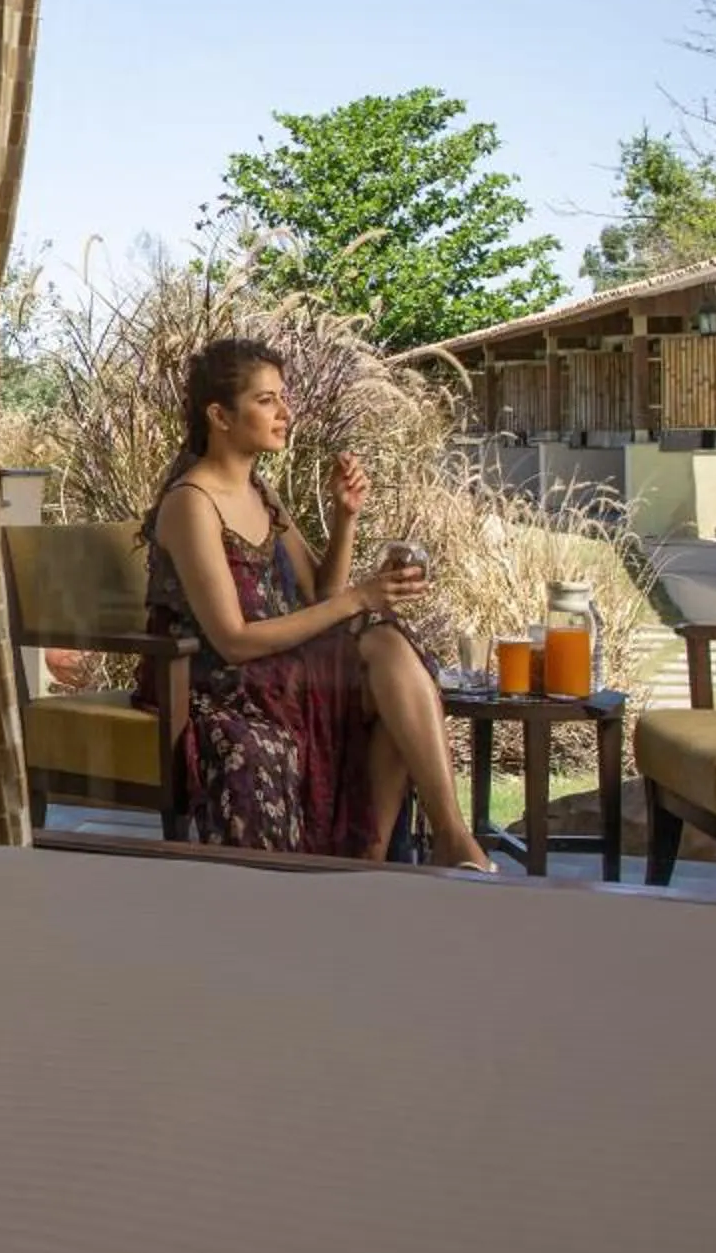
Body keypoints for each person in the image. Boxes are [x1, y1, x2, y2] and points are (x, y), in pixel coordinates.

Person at [132, 336, 496, 872]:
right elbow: (231, 640)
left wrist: (344, 515)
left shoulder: (262, 493)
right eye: (266, 400)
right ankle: (413, 852)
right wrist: (360, 599)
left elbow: (321, 594)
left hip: (282, 670)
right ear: (219, 415)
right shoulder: (192, 503)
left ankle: (425, 844)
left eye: (284, 397)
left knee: (392, 668)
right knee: (384, 657)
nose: (285, 412)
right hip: (217, 682)